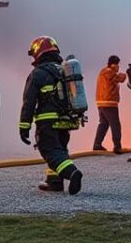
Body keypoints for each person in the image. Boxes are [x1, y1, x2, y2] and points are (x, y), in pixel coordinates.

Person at [19, 36, 85, 195]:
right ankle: (54, 182)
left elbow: (29, 101)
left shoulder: (38, 73)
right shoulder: (64, 70)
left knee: (50, 150)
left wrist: (24, 126)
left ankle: (72, 173)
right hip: (67, 119)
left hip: (47, 120)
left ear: (38, 52)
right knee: (60, 148)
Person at [93, 55, 126, 153]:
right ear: (114, 64)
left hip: (101, 102)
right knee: (115, 124)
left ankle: (97, 144)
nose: (118, 67)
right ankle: (117, 146)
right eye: (118, 64)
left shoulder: (103, 71)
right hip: (109, 102)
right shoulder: (109, 72)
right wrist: (125, 74)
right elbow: (121, 78)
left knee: (103, 123)